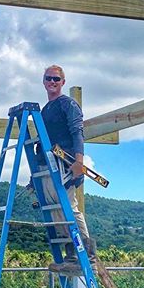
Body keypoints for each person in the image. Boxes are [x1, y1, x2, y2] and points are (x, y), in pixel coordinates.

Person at [38, 64, 95, 266]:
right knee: (56, 208)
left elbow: (77, 132)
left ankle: (86, 250)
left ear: (63, 82)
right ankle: (72, 250)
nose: (52, 82)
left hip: (65, 162)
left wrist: (79, 162)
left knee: (68, 205)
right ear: (43, 81)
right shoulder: (45, 110)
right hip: (49, 162)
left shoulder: (67, 104)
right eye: (49, 78)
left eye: (56, 79)